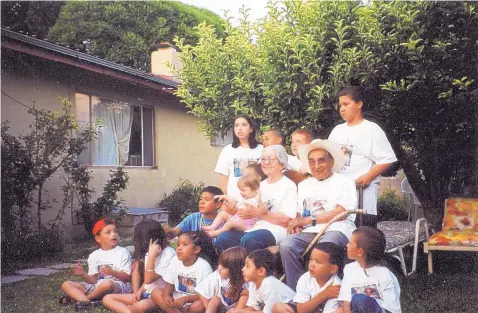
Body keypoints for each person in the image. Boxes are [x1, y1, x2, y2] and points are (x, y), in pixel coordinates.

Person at [280, 139, 357, 290]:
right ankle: (297, 294)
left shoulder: (345, 182)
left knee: (326, 246)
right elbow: (298, 214)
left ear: (331, 161)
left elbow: (341, 212)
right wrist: (296, 225)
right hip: (309, 231)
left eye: (321, 160)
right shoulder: (303, 185)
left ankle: (329, 293)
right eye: (312, 162)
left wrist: (307, 220)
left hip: (337, 228)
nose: (316, 166)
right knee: (287, 245)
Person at [328, 86, 397, 227]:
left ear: (359, 104)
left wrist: (369, 175)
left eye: (346, 104)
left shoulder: (371, 129)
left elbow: (387, 159)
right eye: (340, 105)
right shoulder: (337, 131)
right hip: (338, 195)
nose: (342, 109)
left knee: (363, 238)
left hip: (362, 195)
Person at [215, 145, 298, 253]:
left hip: (276, 229)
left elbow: (287, 219)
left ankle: (252, 269)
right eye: (263, 159)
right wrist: (234, 210)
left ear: (282, 164)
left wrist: (258, 214)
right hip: (254, 227)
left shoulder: (288, 185)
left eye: (271, 159)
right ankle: (235, 269)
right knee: (224, 238)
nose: (266, 162)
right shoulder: (260, 185)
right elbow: (247, 209)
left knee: (250, 240)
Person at [102, 219, 176, 313]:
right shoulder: (149, 253)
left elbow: (150, 279)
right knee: (107, 298)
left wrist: (151, 257)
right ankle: (128, 311)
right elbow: (147, 282)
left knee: (138, 307)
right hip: (146, 292)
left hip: (159, 295)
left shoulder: (168, 254)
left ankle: (129, 310)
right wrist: (139, 292)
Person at [60, 218, 132, 311]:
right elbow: (93, 280)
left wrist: (112, 272)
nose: (113, 234)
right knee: (66, 284)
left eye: (115, 231)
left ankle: (85, 301)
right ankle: (89, 301)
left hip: (118, 286)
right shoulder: (94, 255)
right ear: (98, 238)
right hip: (98, 286)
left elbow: (127, 277)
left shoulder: (123, 252)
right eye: (108, 232)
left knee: (107, 283)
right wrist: (83, 274)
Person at [151, 231, 217, 313]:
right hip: (176, 299)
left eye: (185, 244)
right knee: (155, 292)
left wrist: (185, 299)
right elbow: (170, 284)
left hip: (193, 301)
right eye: (178, 245)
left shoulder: (204, 267)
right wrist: (167, 296)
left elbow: (205, 294)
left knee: (199, 306)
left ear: (196, 249)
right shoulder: (175, 261)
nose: (179, 248)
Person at [338, 227, 401, 313]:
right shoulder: (349, 269)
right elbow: (346, 301)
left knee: (359, 299)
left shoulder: (384, 274)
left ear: (360, 252)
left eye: (350, 243)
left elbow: (392, 310)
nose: (347, 245)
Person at [273, 242, 344, 313]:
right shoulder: (306, 278)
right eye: (311, 259)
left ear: (333, 269)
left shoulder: (336, 287)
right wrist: (324, 295)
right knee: (278, 307)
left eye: (318, 262)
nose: (312, 264)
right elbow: (301, 309)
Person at [214, 115, 263, 200]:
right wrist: (224, 200)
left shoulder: (262, 149)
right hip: (233, 202)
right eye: (236, 125)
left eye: (244, 125)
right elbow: (223, 178)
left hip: (257, 201)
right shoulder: (228, 150)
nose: (240, 128)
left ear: (251, 129)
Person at [196, 247, 249, 313]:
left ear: (235, 270)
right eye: (219, 264)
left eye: (223, 267)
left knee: (245, 297)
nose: (219, 268)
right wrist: (208, 307)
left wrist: (248, 293)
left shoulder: (246, 280)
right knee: (215, 299)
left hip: (236, 310)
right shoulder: (217, 275)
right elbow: (201, 292)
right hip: (220, 308)